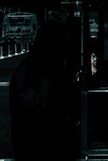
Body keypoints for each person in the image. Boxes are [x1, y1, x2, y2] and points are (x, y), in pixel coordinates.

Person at [8, 15, 80, 161]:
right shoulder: (48, 67)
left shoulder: (30, 64)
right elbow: (51, 104)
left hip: (27, 135)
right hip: (44, 136)